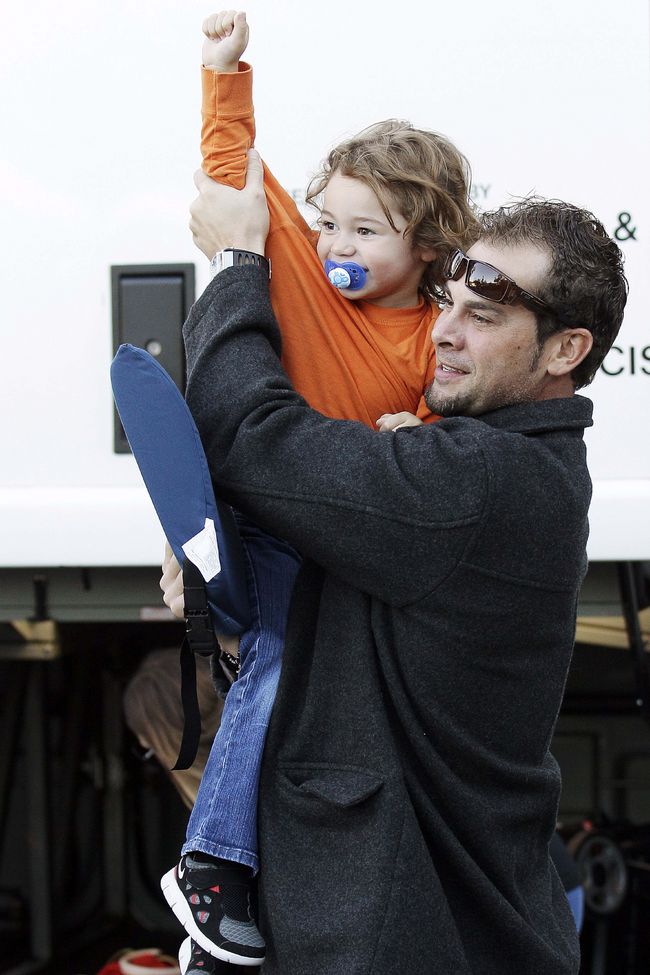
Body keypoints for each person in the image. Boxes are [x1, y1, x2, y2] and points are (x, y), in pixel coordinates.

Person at [160, 153, 627, 974]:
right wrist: (219, 573)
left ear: (567, 350)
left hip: (402, 936)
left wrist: (238, 262)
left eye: (485, 316)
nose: (444, 330)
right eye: (449, 302)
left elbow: (250, 433)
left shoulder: (479, 483)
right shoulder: (503, 469)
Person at [160, 9, 478, 969]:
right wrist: (224, 70)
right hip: (268, 515)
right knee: (280, 657)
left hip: (345, 535)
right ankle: (213, 862)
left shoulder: (434, 337)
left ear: (429, 245)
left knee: (318, 686)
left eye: (367, 230)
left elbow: (450, 423)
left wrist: (419, 432)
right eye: (330, 219)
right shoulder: (296, 260)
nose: (337, 241)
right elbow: (230, 169)